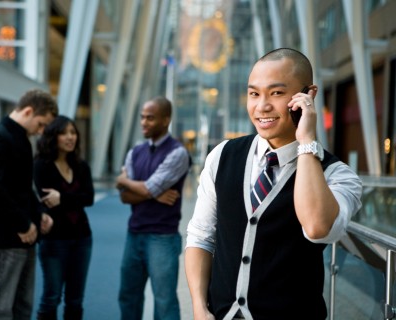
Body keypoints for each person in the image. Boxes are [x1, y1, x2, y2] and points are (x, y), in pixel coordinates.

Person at [185, 48, 362, 320]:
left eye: (277, 93)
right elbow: (201, 236)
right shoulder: (222, 156)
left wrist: (306, 143)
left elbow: (317, 228)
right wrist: (199, 307)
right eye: (254, 93)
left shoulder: (337, 174)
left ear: (308, 95)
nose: (262, 106)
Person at [0, 89, 58, 320]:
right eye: (41, 124)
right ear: (28, 111)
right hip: (6, 235)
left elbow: (22, 187)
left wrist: (39, 214)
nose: (41, 132)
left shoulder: (20, 138)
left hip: (24, 234)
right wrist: (23, 224)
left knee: (21, 307)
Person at [116, 96, 191, 320]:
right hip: (134, 234)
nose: (144, 122)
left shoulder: (177, 153)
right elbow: (124, 197)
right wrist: (153, 193)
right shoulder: (135, 152)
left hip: (162, 238)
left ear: (165, 119)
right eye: (142, 117)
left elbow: (144, 189)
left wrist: (127, 182)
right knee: (128, 296)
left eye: (150, 118)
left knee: (164, 302)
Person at [33, 115, 95, 320]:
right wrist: (71, 199)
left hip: (82, 238)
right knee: (52, 296)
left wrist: (62, 198)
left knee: (75, 299)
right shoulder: (41, 165)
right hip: (54, 239)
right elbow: (45, 201)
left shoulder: (80, 165)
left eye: (73, 132)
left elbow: (89, 198)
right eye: (64, 133)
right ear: (53, 136)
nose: (70, 137)